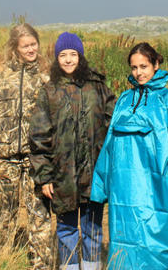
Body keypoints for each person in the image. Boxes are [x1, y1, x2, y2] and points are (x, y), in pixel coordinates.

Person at [90, 42, 168, 270]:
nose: (139, 72)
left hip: (155, 186)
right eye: (134, 67)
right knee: (124, 245)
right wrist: (100, 183)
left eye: (144, 66)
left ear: (156, 64)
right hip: (122, 189)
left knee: (158, 245)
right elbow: (110, 143)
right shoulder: (125, 99)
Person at [29, 32, 115, 270]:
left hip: (93, 175)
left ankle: (91, 266)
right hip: (62, 176)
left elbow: (115, 124)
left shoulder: (98, 88)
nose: (68, 60)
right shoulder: (49, 91)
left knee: (92, 227)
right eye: (63, 55)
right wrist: (44, 175)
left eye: (73, 54)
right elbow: (38, 137)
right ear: (57, 58)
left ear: (81, 56)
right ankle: (69, 266)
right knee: (66, 228)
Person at [0, 23, 54, 270]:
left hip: (35, 158)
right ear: (15, 47)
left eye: (33, 44)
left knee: (40, 216)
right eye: (25, 45)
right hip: (3, 157)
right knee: (6, 215)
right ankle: (2, 260)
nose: (31, 49)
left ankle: (41, 265)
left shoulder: (47, 75)